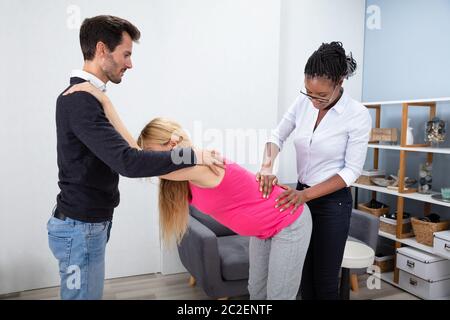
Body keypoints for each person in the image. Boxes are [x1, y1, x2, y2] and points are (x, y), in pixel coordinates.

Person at [63, 81, 312, 299]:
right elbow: (140, 160)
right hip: (263, 230)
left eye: (153, 152)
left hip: (288, 221)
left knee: (279, 296)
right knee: (257, 291)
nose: (152, 159)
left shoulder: (202, 164)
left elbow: (138, 162)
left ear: (171, 144)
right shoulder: (187, 172)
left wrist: (106, 104)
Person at [49, 15, 222, 300]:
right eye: (126, 54)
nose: (130, 63)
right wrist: (193, 155)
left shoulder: (91, 97)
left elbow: (131, 153)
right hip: (80, 229)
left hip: (85, 225)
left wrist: (106, 102)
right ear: (103, 49)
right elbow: (128, 162)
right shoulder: (80, 100)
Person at [256, 41, 372, 299]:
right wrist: (266, 167)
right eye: (309, 92)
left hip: (332, 204)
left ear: (340, 82)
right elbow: (276, 136)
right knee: (302, 276)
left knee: (325, 281)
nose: (314, 100)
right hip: (301, 197)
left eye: (321, 95)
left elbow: (351, 171)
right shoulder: (303, 102)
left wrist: (305, 197)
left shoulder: (357, 115)